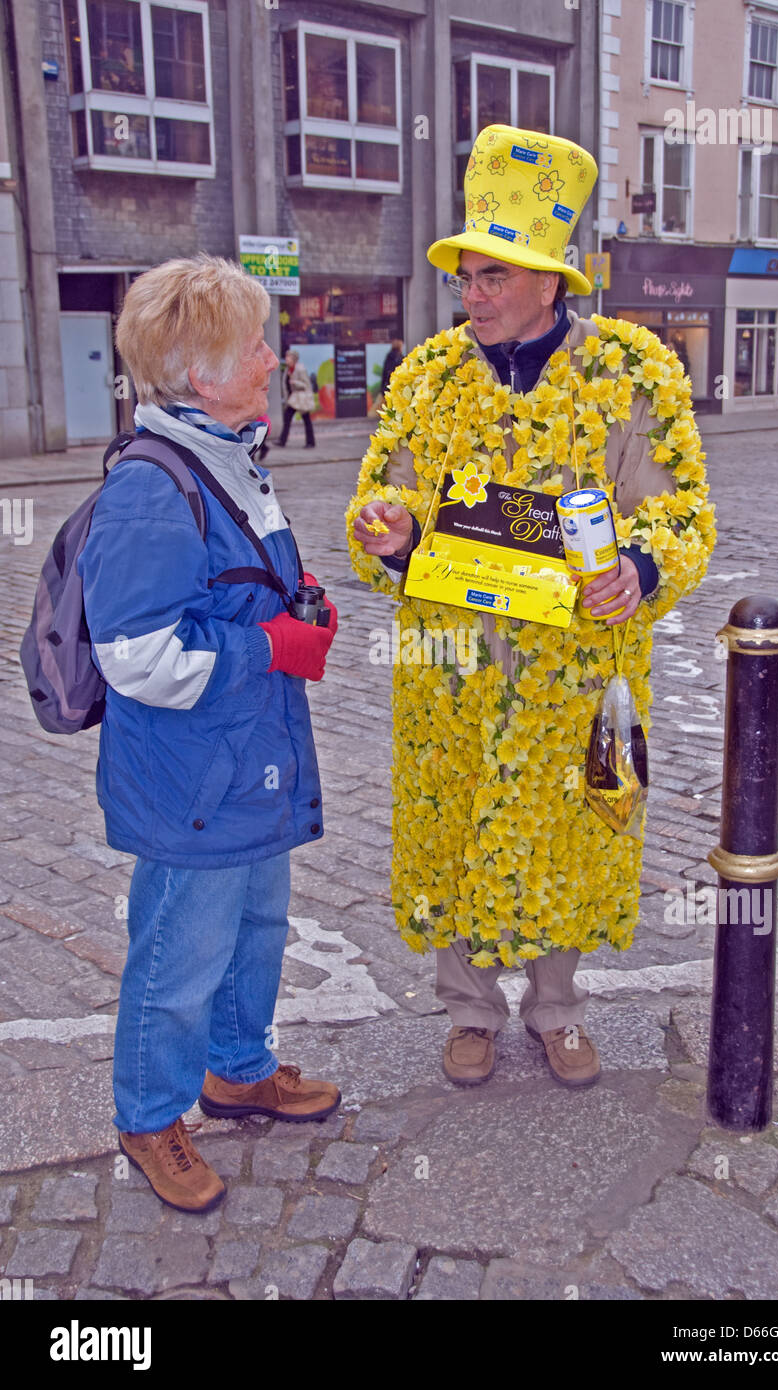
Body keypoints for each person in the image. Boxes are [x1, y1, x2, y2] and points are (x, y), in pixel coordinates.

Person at [348, 125, 715, 1090]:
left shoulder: (636, 374)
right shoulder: (424, 379)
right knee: (453, 818)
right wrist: (386, 533)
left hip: (589, 668)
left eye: (491, 278)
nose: (471, 296)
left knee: (580, 822)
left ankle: (558, 1009)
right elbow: (378, 502)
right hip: (453, 669)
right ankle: (468, 1009)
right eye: (466, 277)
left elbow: (684, 511)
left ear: (550, 280)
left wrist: (640, 564)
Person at [78, 255, 341, 1214]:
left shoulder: (229, 452)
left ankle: (238, 1071)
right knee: (179, 954)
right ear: (199, 374)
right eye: (255, 345)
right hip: (197, 778)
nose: (274, 359)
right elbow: (137, 655)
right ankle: (150, 1118)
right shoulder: (153, 486)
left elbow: (242, 591)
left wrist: (299, 612)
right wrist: (270, 646)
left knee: (256, 931)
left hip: (248, 765)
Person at [278, 348, 316, 447]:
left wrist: (295, 383)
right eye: (286, 356)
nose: (286, 359)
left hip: (300, 399)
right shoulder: (287, 370)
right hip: (293, 399)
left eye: (288, 357)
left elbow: (306, 384)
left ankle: (310, 442)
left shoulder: (300, 369)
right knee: (287, 418)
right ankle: (282, 441)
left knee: (306, 420)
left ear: (294, 359)